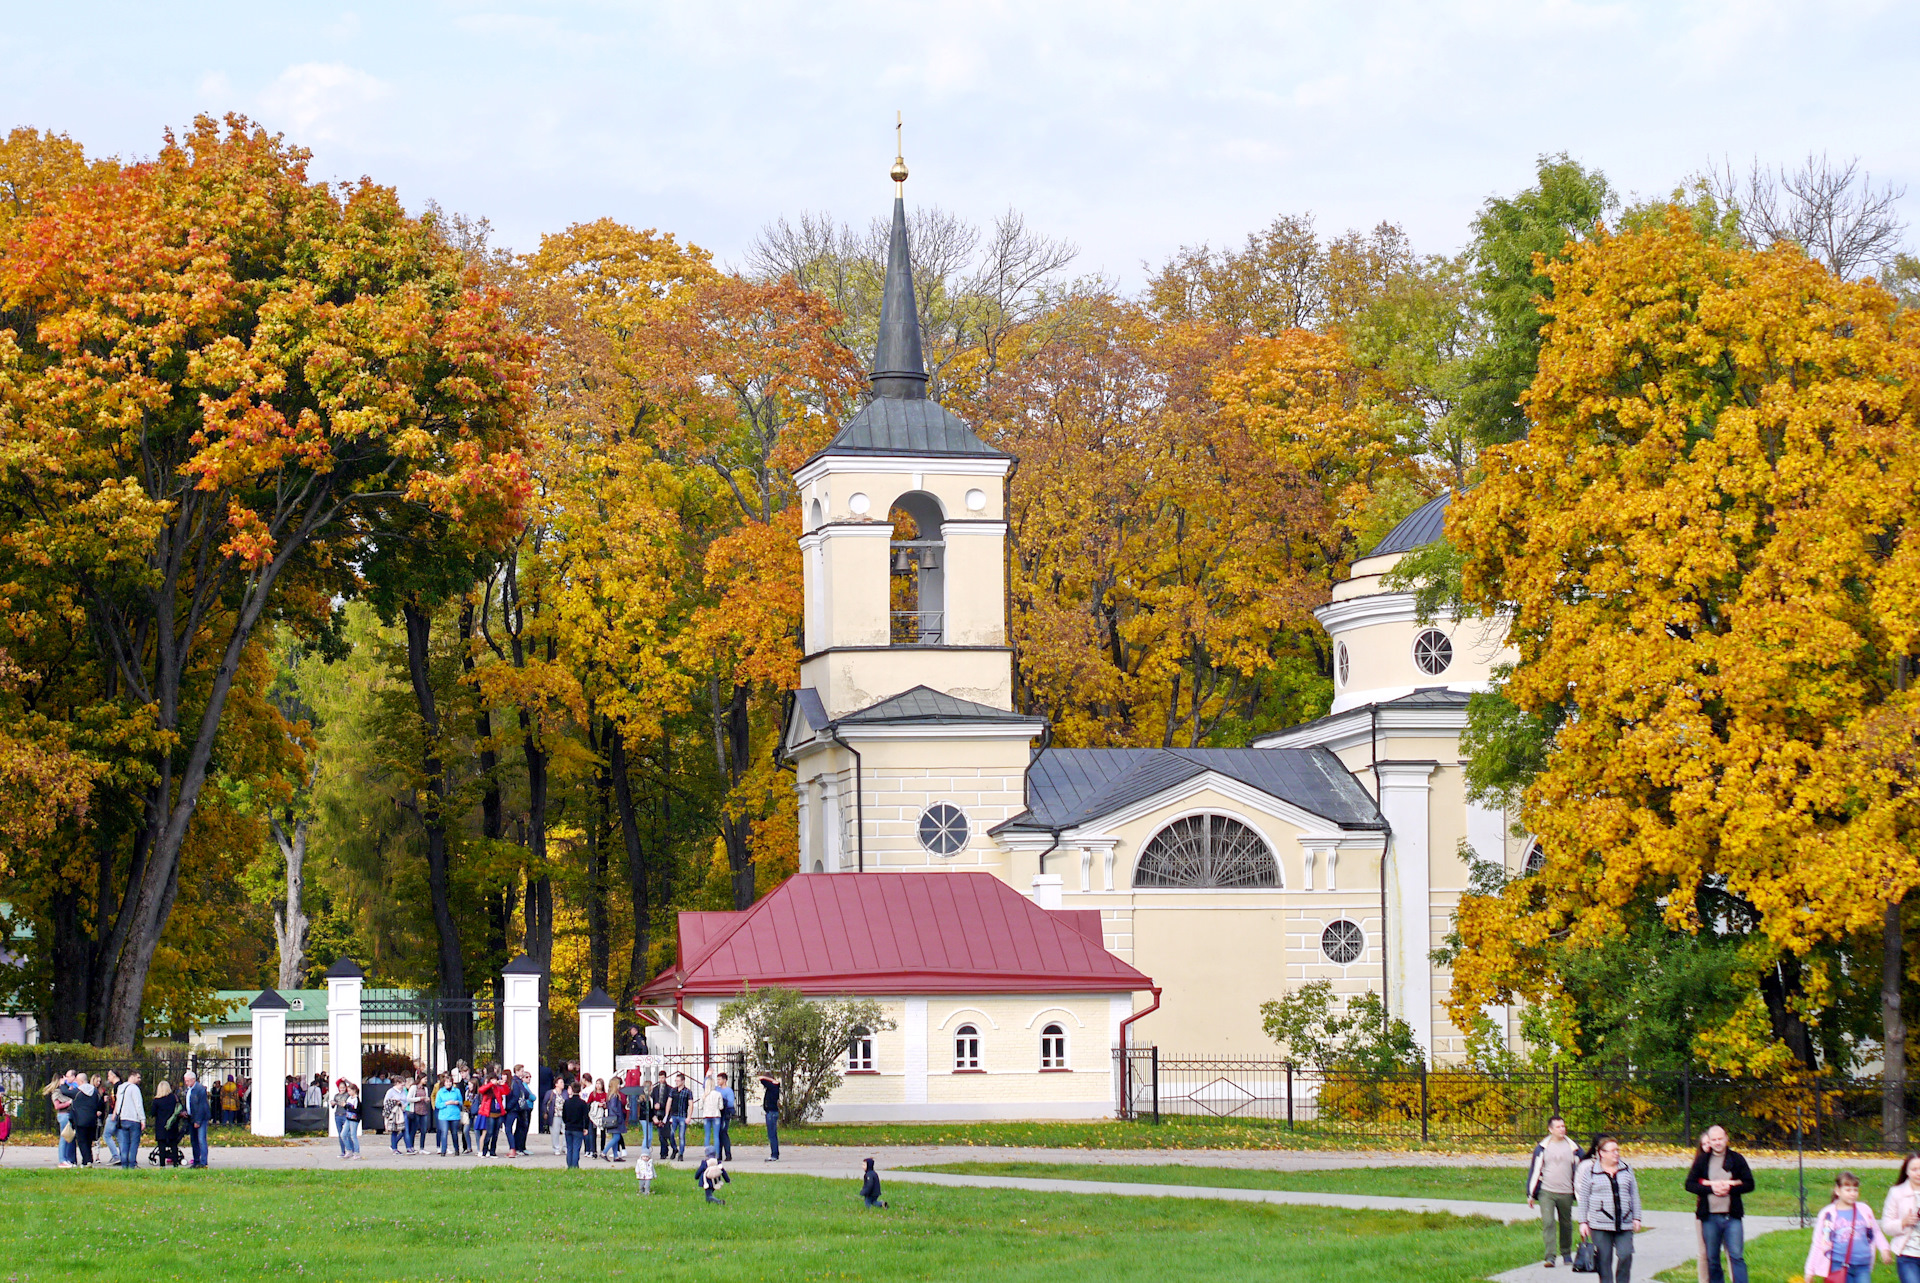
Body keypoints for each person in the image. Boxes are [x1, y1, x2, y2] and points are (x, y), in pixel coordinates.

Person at [1684, 1124, 1755, 1283]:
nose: (1717, 1142)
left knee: (1736, 1255)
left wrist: (1730, 1187)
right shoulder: (1703, 1160)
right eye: (1714, 1140)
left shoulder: (1737, 1159)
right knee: (1712, 1258)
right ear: (1709, 1141)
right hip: (1709, 1218)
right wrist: (1711, 1188)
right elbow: (1689, 1184)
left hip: (1732, 1217)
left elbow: (1749, 1184)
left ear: (1726, 1139)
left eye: (1720, 1139)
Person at [1807, 1171, 1893, 1283]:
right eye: (1848, 1190)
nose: (1852, 1193)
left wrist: (1884, 1249)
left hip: (1863, 1265)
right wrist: (1810, 1271)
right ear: (1837, 1191)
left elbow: (1875, 1232)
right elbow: (1818, 1242)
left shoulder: (1864, 1210)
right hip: (1839, 1264)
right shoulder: (1828, 1214)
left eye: (1855, 1190)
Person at [1526, 1114, 1583, 1269]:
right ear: (1550, 1129)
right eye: (1558, 1127)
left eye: (1563, 1126)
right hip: (1547, 1192)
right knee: (1548, 1222)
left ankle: (1565, 1253)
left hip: (1566, 1192)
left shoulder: (1574, 1148)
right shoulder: (1542, 1148)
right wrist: (1530, 1194)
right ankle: (1550, 1257)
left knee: (1566, 1224)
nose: (1562, 1129)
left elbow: (1583, 1169)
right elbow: (1535, 1171)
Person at [1881, 1153, 1920, 1283]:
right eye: (1914, 1169)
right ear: (1907, 1171)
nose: (1918, 1173)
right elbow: (1886, 1226)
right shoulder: (1896, 1192)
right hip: (1907, 1255)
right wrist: (1903, 1223)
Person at [65, 1072, 101, 1168]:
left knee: (82, 1141)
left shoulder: (77, 1092)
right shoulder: (94, 1091)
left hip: (80, 1121)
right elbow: (99, 1103)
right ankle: (88, 1159)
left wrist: (62, 1083)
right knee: (89, 1141)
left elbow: (65, 1092)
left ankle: (86, 1161)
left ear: (80, 1081)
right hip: (92, 1120)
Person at [114, 1071, 145, 1169]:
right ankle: (132, 1164)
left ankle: (124, 1164)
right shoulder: (134, 1088)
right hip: (134, 1119)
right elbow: (138, 1105)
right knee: (134, 1143)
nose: (139, 1080)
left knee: (124, 1143)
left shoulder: (121, 1088)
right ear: (132, 1076)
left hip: (123, 1119)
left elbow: (118, 1103)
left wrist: (119, 1114)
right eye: (138, 1077)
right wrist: (142, 1119)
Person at [47, 1071, 76, 1168]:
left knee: (68, 1137)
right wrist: (68, 1103)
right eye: (64, 1078)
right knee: (64, 1138)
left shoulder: (63, 1089)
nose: (66, 1080)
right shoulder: (56, 1091)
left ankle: (66, 1159)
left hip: (67, 1114)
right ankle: (62, 1160)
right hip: (63, 1115)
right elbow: (57, 1106)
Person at [183, 1071, 211, 1169]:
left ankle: (203, 1162)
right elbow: (187, 1103)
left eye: (187, 1081)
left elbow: (202, 1106)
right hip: (191, 1117)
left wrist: (198, 1121)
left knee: (201, 1140)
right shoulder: (188, 1090)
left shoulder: (199, 1089)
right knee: (193, 1140)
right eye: (185, 1081)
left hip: (200, 1119)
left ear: (193, 1079)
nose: (186, 1083)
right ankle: (196, 1161)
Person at [152, 1081, 184, 1167]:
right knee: (173, 1145)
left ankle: (162, 1165)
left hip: (161, 1126)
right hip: (172, 1125)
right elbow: (180, 1109)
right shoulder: (174, 1098)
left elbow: (152, 1113)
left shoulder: (156, 1100)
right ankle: (175, 1163)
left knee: (161, 1146)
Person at [561, 1083, 590, 1169]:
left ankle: (569, 1166)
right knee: (576, 1148)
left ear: (572, 1090)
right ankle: (575, 1166)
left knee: (569, 1148)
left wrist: (567, 1122)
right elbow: (586, 1117)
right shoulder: (582, 1103)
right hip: (578, 1128)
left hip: (568, 1127)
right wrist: (586, 1127)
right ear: (580, 1090)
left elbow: (564, 1116)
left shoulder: (567, 1102)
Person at [433, 1073, 462, 1156]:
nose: (448, 1084)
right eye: (447, 1082)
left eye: (450, 1082)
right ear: (444, 1083)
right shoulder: (440, 1092)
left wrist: (457, 1102)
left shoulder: (456, 1091)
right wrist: (446, 1103)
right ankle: (443, 1150)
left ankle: (457, 1149)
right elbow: (437, 1104)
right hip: (443, 1115)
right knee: (444, 1132)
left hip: (454, 1114)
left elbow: (461, 1102)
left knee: (454, 1133)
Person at [333, 1080, 362, 1160]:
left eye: (349, 1090)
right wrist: (345, 1106)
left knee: (353, 1135)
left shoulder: (356, 1099)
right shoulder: (350, 1098)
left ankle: (356, 1152)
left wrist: (347, 1106)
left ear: (354, 1091)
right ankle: (349, 1150)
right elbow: (348, 1108)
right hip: (348, 1118)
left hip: (354, 1119)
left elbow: (355, 1109)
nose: (348, 1092)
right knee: (343, 1134)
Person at [385, 1076, 413, 1154]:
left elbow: (406, 1100)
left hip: (402, 1112)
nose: (403, 1087)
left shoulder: (403, 1091)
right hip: (395, 1113)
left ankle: (408, 1147)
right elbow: (386, 1102)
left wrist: (404, 1105)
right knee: (394, 1131)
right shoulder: (391, 1091)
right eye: (401, 1085)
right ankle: (394, 1148)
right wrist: (395, 1103)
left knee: (405, 1130)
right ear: (397, 1083)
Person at [758, 1071, 782, 1162]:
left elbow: (761, 1079)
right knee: (772, 1134)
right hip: (770, 1112)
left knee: (772, 1134)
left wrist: (770, 1079)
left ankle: (774, 1155)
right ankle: (774, 1153)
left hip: (771, 1113)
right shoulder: (772, 1087)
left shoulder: (773, 1086)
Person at [668, 1073, 692, 1160]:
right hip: (673, 1116)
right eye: (676, 1080)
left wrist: (689, 1117)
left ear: (683, 1081)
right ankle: (674, 1149)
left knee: (681, 1135)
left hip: (682, 1116)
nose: (676, 1082)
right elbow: (669, 1102)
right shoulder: (673, 1091)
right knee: (671, 1134)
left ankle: (681, 1153)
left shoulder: (687, 1092)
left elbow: (690, 1104)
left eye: (678, 1081)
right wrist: (667, 1115)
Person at [647, 1071, 671, 1159]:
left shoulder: (669, 1089)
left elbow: (669, 1102)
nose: (661, 1079)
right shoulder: (655, 1089)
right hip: (657, 1113)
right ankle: (663, 1152)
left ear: (665, 1078)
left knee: (666, 1133)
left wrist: (661, 1105)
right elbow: (652, 1100)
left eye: (663, 1078)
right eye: (660, 1078)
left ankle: (666, 1150)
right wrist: (655, 1107)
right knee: (660, 1134)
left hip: (665, 1113)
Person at [699, 1076, 724, 1157]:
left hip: (706, 1115)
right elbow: (721, 1107)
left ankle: (707, 1154)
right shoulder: (718, 1094)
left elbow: (700, 1107)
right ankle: (716, 1155)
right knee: (716, 1136)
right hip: (716, 1115)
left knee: (707, 1135)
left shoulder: (703, 1095)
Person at [545, 1078, 567, 1157]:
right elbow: (544, 1103)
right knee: (555, 1132)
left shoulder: (565, 1093)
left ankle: (565, 1147)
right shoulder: (550, 1093)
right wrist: (545, 1112)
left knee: (566, 1131)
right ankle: (556, 1148)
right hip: (554, 1115)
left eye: (563, 1082)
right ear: (556, 1084)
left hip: (564, 1115)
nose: (562, 1084)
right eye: (561, 1082)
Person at [716, 1072, 735, 1162]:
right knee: (718, 1134)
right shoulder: (717, 1089)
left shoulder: (728, 1091)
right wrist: (707, 1076)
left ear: (724, 1080)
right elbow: (705, 1086)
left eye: (719, 1079)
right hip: (717, 1114)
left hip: (725, 1114)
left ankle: (728, 1154)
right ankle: (718, 1154)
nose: (718, 1081)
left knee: (723, 1133)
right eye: (717, 1079)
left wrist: (723, 1102)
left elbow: (730, 1103)